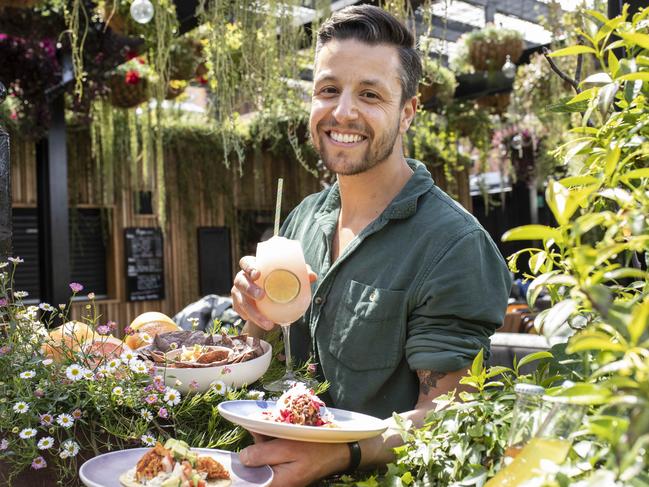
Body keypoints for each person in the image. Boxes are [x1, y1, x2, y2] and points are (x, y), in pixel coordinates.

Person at [231, 5, 511, 486]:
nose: (342, 112)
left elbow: (450, 413)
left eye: (369, 94)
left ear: (408, 112)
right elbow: (269, 367)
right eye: (328, 90)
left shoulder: (452, 245)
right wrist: (253, 320)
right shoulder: (301, 220)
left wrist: (343, 456)